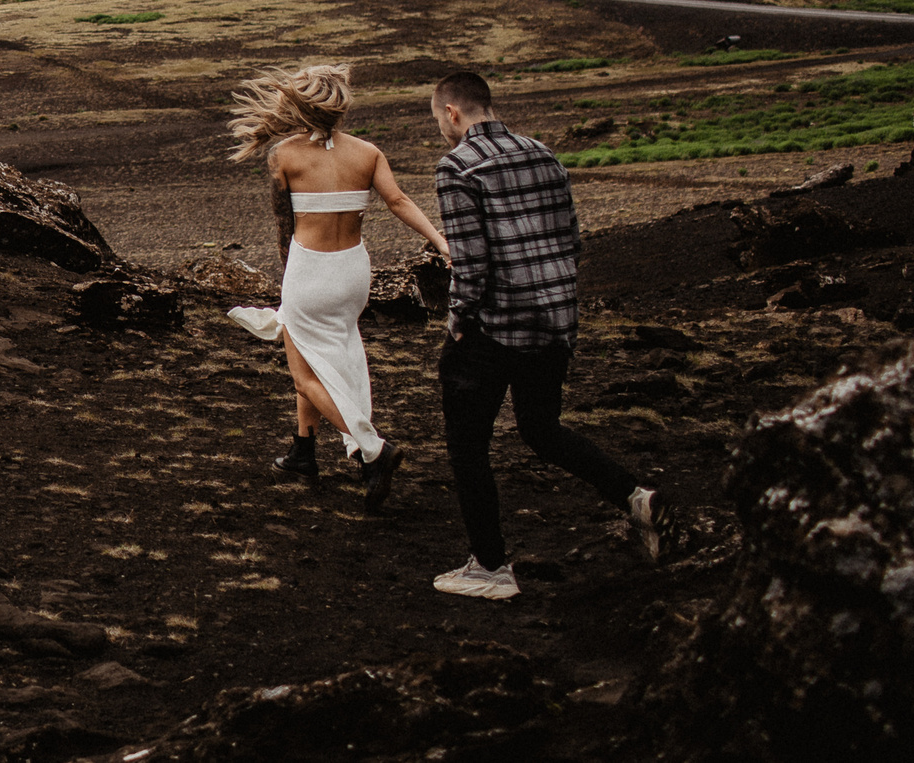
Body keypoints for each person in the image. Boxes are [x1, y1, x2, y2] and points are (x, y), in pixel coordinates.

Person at [428, 70, 669, 601]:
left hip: (494, 329)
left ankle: (490, 568)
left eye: (440, 122)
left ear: (452, 113)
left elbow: (471, 265)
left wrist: (457, 325)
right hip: (554, 321)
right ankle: (634, 496)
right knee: (542, 430)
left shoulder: (458, 167)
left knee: (468, 448)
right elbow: (573, 240)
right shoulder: (544, 153)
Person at [223, 63, 451, 514]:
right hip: (353, 273)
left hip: (310, 271)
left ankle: (372, 448)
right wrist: (440, 241)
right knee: (337, 353)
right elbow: (399, 201)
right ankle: (303, 452)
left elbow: (283, 224)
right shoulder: (368, 153)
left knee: (304, 376)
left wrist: (290, 282)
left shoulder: (283, 156)